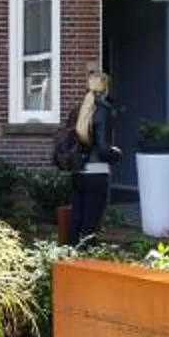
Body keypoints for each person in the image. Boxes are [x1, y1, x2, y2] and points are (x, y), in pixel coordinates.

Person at [63, 68, 119, 245]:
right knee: (90, 225)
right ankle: (86, 263)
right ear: (106, 89)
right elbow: (103, 148)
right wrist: (117, 154)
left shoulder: (78, 110)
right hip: (97, 173)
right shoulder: (103, 110)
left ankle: (70, 260)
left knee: (76, 219)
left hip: (78, 172)